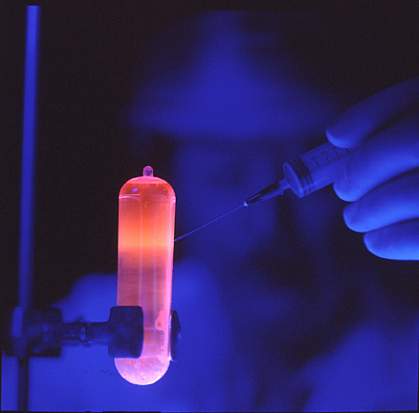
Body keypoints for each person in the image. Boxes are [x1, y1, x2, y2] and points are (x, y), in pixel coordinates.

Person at [3, 10, 419, 411]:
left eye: (310, 189)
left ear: (364, 168)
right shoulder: (93, 346)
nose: (269, 226)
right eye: (226, 174)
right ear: (170, 181)